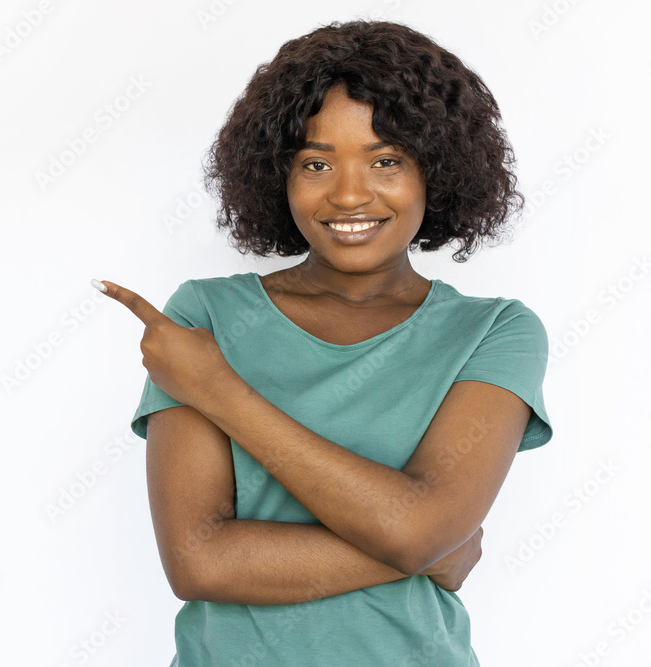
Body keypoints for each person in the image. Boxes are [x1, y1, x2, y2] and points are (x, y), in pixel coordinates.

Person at [93, 18, 553, 666]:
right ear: (278, 173)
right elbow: (199, 561)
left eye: (386, 159)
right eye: (316, 161)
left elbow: (418, 529)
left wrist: (217, 390)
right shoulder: (207, 315)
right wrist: (417, 550)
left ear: (437, 168)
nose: (347, 193)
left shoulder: (494, 332)